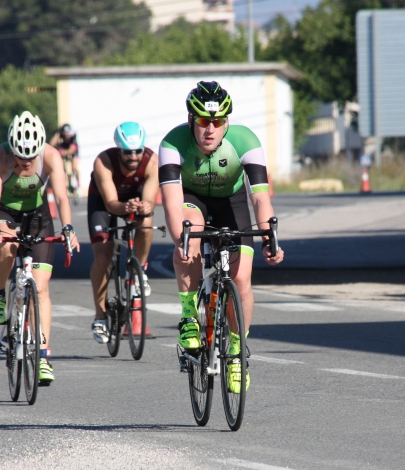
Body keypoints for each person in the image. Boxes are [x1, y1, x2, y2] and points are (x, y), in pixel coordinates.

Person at [158, 81, 284, 393]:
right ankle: (189, 316)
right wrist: (181, 242)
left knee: (241, 281)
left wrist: (271, 237)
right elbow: (172, 204)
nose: (210, 129)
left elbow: (260, 199)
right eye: (203, 121)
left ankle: (238, 354)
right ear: (191, 120)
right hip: (191, 200)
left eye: (217, 121)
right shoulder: (172, 144)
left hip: (233, 201)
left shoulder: (246, 141)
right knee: (190, 230)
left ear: (227, 121)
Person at [0, 111, 81, 386]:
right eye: (20, 156)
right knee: (7, 247)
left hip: (38, 216)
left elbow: (60, 196)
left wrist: (68, 228)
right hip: (3, 212)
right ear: (11, 149)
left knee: (42, 286)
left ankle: (44, 356)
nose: (25, 162)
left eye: (30, 157)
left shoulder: (50, 156)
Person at [87, 122, 159, 343]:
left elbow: (149, 199)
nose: (134, 156)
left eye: (138, 151)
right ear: (119, 150)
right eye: (128, 152)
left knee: (146, 221)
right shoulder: (104, 161)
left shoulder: (151, 160)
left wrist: (146, 206)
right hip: (104, 202)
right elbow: (110, 204)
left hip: (135, 198)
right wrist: (124, 207)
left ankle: (139, 272)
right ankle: (100, 317)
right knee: (103, 254)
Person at [49, 123, 79, 194]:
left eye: (68, 133)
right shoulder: (61, 134)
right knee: (62, 165)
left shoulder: (73, 135)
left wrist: (66, 152)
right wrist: (58, 133)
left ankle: (78, 182)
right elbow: (51, 144)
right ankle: (67, 180)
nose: (67, 135)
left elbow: (72, 149)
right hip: (65, 146)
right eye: (65, 133)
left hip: (72, 149)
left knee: (74, 167)